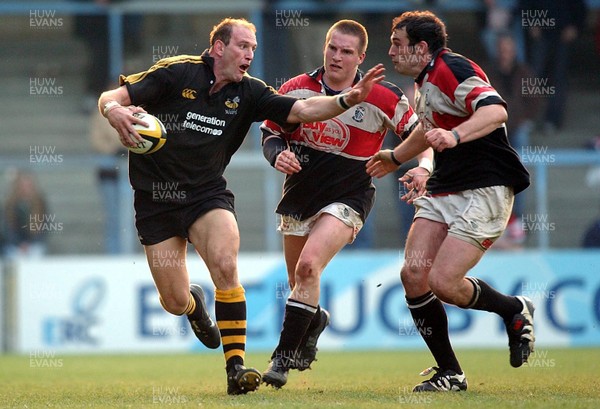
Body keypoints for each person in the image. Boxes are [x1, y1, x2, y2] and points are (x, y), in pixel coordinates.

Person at [97, 17, 385, 395]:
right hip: (156, 202)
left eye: (253, 48)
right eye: (243, 46)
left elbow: (302, 110)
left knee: (226, 263)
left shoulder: (250, 93)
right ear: (219, 47)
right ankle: (192, 305)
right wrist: (113, 111)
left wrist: (347, 99)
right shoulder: (175, 73)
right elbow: (111, 97)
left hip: (206, 196)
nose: (250, 54)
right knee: (172, 299)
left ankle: (236, 369)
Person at [258, 19, 433, 389]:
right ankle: (315, 319)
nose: (337, 56)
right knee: (298, 282)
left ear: (361, 57)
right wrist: (277, 157)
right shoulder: (296, 88)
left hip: (349, 196)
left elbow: (424, 136)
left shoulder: (383, 96)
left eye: (346, 51)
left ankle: (281, 361)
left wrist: (423, 168)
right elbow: (271, 134)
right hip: (299, 195)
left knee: (308, 267)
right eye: (332, 48)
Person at [366, 11, 533, 392]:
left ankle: (513, 310)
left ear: (421, 48)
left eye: (397, 44)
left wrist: (455, 138)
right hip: (446, 187)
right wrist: (395, 158)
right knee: (413, 276)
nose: (391, 51)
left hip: (486, 189)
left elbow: (495, 111)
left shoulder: (452, 68)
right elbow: (428, 131)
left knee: (443, 282)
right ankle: (451, 373)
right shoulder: (425, 82)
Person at [517, 0, 587, 133]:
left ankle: (552, 120)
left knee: (558, 78)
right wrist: (531, 23)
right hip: (540, 33)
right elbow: (524, 4)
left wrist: (575, 26)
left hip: (563, 34)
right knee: (533, 75)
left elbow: (580, 7)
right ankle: (527, 117)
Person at [89, 98, 128, 254]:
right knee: (112, 216)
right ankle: (114, 254)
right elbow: (96, 140)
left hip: (128, 171)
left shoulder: (133, 108)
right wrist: (116, 147)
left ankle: (126, 254)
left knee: (127, 218)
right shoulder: (99, 114)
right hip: (110, 171)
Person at [4, 170, 48, 259]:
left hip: (34, 245)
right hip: (14, 245)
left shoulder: (40, 204)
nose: (25, 188)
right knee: (12, 255)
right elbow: (7, 229)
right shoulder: (10, 205)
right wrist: (19, 243)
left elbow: (45, 227)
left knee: (36, 253)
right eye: (22, 185)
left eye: (28, 185)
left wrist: (30, 244)